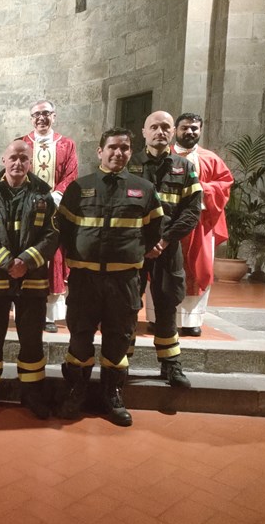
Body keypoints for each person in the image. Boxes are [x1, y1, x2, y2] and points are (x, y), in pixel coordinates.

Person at [56, 128, 163, 427]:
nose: (119, 153)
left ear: (130, 152)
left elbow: (155, 230)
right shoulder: (79, 188)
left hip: (123, 281)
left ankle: (112, 394)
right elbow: (62, 230)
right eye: (113, 147)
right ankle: (76, 390)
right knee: (79, 338)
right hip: (85, 280)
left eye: (125, 148)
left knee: (118, 339)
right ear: (100, 151)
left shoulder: (144, 189)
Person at [0, 140, 58, 418]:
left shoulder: (44, 195)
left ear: (30, 162)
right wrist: (8, 263)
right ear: (3, 160)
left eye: (23, 158)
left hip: (31, 281)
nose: (18, 163)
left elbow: (52, 235)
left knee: (31, 341)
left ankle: (32, 394)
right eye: (13, 158)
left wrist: (27, 261)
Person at [127, 111, 202, 388]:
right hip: (134, 249)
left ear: (172, 133)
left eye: (165, 127)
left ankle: (171, 365)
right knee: (127, 306)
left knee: (167, 304)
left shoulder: (185, 167)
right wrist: (143, 242)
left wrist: (165, 240)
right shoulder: (129, 163)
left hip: (168, 248)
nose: (160, 131)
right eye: (154, 127)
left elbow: (192, 211)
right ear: (144, 132)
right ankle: (121, 362)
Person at [171, 113, 233, 337]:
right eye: (185, 128)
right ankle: (158, 317)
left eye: (194, 129)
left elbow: (224, 184)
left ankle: (191, 321)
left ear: (200, 131)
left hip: (200, 223)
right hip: (170, 223)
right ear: (176, 130)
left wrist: (202, 188)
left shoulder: (210, 158)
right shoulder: (164, 156)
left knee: (199, 268)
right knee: (163, 269)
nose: (190, 132)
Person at [22, 100, 78, 333]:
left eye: (46, 114)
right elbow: (14, 170)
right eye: (36, 115)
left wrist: (55, 196)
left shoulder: (66, 144)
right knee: (28, 254)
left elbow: (72, 173)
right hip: (27, 210)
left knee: (54, 258)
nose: (41, 118)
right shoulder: (23, 143)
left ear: (54, 116)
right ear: (31, 118)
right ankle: (26, 309)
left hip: (56, 209)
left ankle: (49, 316)